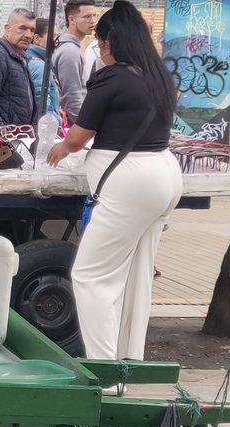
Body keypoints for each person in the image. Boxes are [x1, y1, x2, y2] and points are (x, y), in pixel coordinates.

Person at [47, 0, 180, 361]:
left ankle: (105, 371)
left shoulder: (113, 77)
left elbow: (78, 137)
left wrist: (61, 147)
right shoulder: (158, 75)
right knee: (135, 274)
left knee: (91, 276)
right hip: (164, 175)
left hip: (132, 183)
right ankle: (127, 359)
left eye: (99, 42)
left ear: (108, 43)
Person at [53, 0, 96, 127]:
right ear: (72, 19)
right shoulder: (70, 51)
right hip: (71, 126)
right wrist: (85, 127)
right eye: (87, 16)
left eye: (94, 15)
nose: (93, 21)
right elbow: (72, 98)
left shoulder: (69, 47)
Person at [27, 18, 61, 120]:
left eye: (57, 35)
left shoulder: (41, 61)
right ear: (36, 38)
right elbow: (43, 105)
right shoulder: (38, 65)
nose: (56, 40)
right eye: (53, 35)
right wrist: (57, 121)